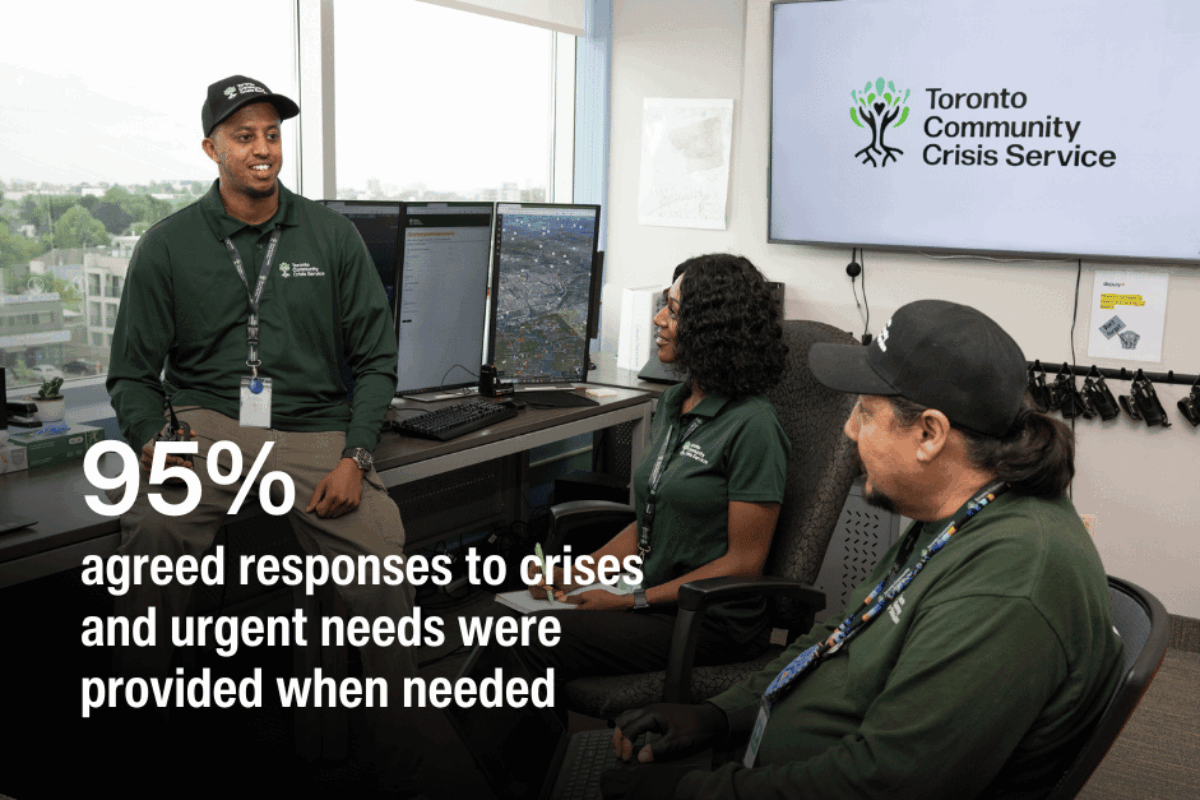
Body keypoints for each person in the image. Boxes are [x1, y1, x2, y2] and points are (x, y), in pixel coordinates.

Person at [602, 299, 1124, 800]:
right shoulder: (958, 514)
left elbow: (883, 786)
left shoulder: (1009, 585)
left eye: (866, 412)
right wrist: (718, 715)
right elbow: (845, 629)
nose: (849, 430)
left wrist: (690, 792)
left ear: (930, 434)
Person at [105, 75, 423, 797]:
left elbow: (377, 361)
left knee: (384, 568)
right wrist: (153, 441)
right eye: (244, 135)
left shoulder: (331, 237)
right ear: (211, 148)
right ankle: (139, 756)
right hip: (209, 425)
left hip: (314, 431)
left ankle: (405, 769)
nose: (262, 149)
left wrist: (357, 455)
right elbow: (131, 374)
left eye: (272, 135)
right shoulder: (167, 245)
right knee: (152, 536)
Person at [518, 253, 790, 707]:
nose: (660, 319)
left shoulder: (754, 425)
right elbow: (651, 522)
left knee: (530, 639)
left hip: (708, 621)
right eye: (665, 305)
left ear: (712, 330)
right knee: (511, 628)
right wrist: (578, 572)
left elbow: (744, 562)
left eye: (674, 311)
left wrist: (632, 601)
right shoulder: (673, 403)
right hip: (651, 597)